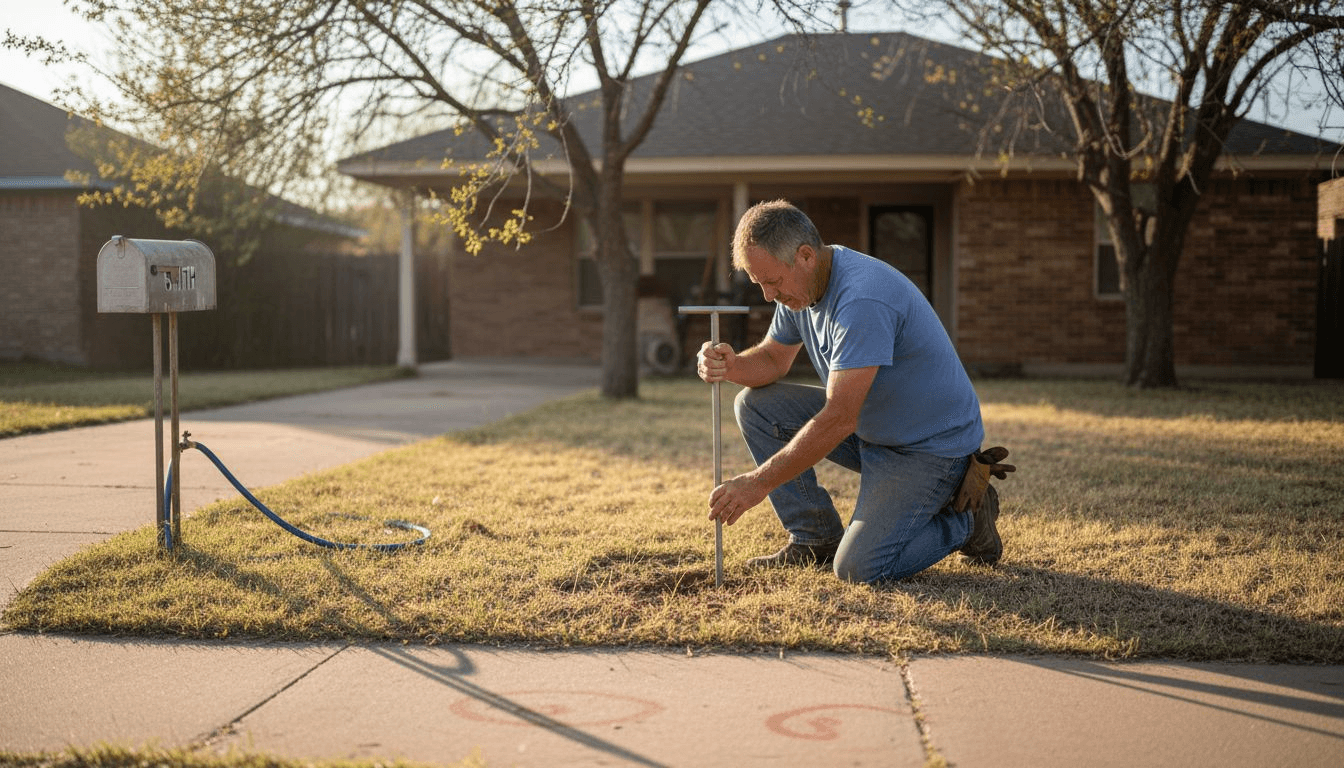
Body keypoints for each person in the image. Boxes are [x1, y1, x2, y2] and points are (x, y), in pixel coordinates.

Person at [696, 199, 1005, 584]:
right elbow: (775, 360)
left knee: (860, 569)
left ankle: (967, 520)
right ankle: (816, 539)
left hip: (929, 449)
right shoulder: (802, 288)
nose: (768, 296)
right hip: (875, 431)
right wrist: (732, 365)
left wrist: (757, 483)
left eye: (772, 282)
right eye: (760, 284)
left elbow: (839, 418)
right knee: (757, 406)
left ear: (805, 256)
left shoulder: (861, 300)